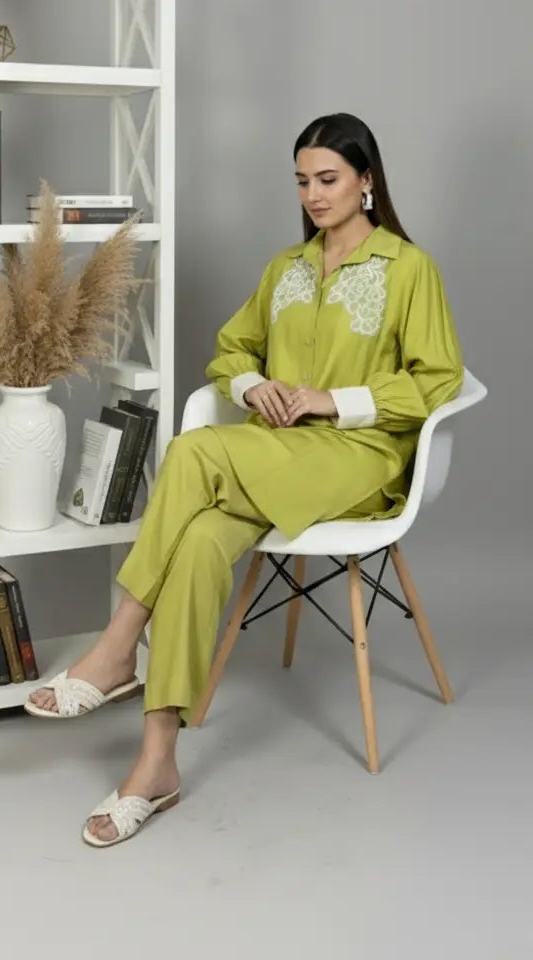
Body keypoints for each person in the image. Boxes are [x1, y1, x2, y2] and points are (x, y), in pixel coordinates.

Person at [26, 113, 464, 848]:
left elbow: (438, 381)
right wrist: (257, 383)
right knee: (197, 544)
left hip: (357, 462)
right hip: (272, 456)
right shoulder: (286, 270)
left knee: (195, 452)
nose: (313, 194)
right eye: (302, 181)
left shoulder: (407, 270)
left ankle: (116, 647)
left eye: (328, 179)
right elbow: (230, 352)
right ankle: (156, 764)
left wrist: (333, 400)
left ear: (367, 181)